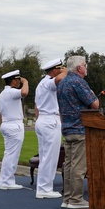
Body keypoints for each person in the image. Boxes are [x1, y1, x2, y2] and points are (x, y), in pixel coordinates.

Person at [56, 55, 99, 209]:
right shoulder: (78, 82)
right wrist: (92, 92)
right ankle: (76, 199)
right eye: (85, 65)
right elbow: (95, 104)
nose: (86, 68)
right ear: (80, 68)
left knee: (68, 165)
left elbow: (60, 109)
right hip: (80, 128)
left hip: (67, 128)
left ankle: (67, 198)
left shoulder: (62, 84)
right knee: (79, 167)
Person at [33, 58, 68, 199]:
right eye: (60, 69)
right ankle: (45, 188)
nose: (62, 71)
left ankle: (43, 187)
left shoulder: (41, 83)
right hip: (49, 120)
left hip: (43, 119)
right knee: (50, 157)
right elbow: (60, 79)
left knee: (44, 156)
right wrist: (67, 70)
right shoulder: (48, 83)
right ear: (55, 70)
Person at [0, 69, 29, 190]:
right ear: (14, 81)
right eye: (18, 80)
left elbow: (0, 113)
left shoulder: (1, 95)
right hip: (14, 125)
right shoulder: (11, 92)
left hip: (6, 124)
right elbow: (24, 93)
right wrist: (26, 82)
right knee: (12, 155)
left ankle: (5, 180)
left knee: (9, 154)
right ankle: (7, 181)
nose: (20, 82)